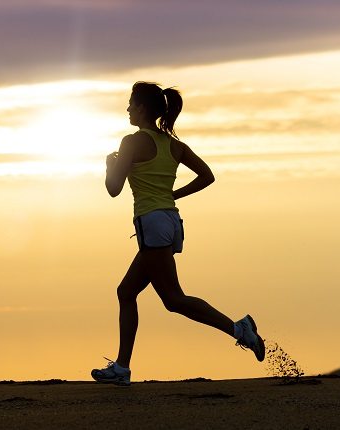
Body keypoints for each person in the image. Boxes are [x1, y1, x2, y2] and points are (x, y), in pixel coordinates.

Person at [91, 82, 265, 387]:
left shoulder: (131, 142)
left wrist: (110, 165)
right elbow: (207, 176)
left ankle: (239, 330)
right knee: (126, 292)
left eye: (131, 103)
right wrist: (173, 195)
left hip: (152, 223)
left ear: (143, 107)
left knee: (174, 299)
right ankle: (121, 367)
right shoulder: (173, 144)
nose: (128, 108)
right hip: (171, 222)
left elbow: (113, 189)